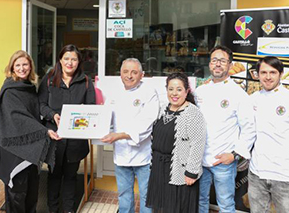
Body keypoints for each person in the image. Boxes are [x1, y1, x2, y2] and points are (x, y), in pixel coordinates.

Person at [0, 50, 61, 213]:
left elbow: (37, 108)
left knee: (32, 192)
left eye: (25, 64)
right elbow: (18, 118)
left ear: (30, 66)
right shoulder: (10, 90)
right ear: (11, 68)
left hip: (31, 145)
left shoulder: (29, 87)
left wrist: (53, 116)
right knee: (17, 194)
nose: (22, 68)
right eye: (17, 65)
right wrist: (44, 131)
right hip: (14, 149)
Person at [195, 45, 255, 213]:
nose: (218, 64)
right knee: (200, 201)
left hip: (224, 161)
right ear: (209, 64)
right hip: (200, 160)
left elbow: (249, 128)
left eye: (222, 60)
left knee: (226, 205)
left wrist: (234, 155)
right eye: (214, 60)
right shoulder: (200, 91)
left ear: (230, 64)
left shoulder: (238, 94)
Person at [38, 44, 96, 213]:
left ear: (79, 62)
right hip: (54, 136)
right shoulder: (49, 79)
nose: (70, 63)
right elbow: (40, 104)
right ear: (60, 60)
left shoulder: (85, 81)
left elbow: (91, 107)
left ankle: (69, 210)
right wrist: (51, 115)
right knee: (54, 176)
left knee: (71, 177)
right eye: (67, 59)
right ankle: (53, 209)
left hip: (75, 139)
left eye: (74, 59)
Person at [248, 56, 289, 212]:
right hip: (257, 174)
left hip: (287, 177)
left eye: (273, 72)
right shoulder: (252, 99)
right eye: (263, 72)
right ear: (257, 75)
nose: (268, 77)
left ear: (281, 74)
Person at [101, 58, 159, 213]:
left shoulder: (149, 93)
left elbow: (147, 123)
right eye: (125, 72)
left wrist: (119, 135)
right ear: (120, 74)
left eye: (134, 72)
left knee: (147, 196)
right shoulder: (114, 93)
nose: (129, 75)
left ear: (142, 75)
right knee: (124, 195)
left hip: (143, 156)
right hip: (121, 155)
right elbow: (106, 118)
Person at [146, 73, 206, 213]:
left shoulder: (193, 113)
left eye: (179, 89)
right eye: (171, 89)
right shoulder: (163, 109)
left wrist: (191, 172)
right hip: (159, 169)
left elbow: (198, 143)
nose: (174, 93)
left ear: (186, 91)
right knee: (160, 208)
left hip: (180, 171)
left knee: (176, 208)